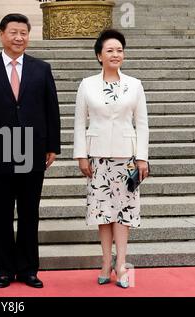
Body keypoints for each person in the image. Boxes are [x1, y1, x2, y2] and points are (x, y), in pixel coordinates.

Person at [0, 13, 61, 289]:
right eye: (13, 32)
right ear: (1, 34)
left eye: (23, 32)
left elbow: (51, 109)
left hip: (33, 150)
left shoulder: (41, 68)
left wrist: (52, 146)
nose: (19, 37)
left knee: (29, 212)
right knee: (1, 213)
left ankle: (28, 269)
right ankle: (3, 270)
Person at [73, 29, 149, 289]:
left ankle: (122, 265)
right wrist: (81, 156)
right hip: (98, 160)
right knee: (103, 214)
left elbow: (142, 125)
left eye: (119, 50)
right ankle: (106, 263)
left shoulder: (135, 85)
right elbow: (79, 123)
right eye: (110, 50)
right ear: (99, 55)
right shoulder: (87, 85)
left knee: (124, 214)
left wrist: (142, 159)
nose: (115, 54)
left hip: (127, 160)